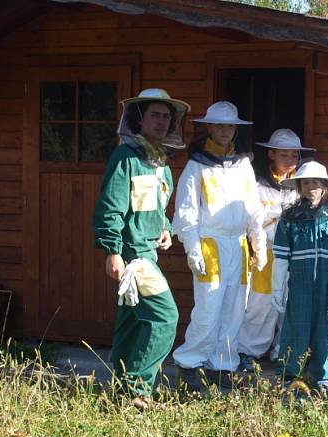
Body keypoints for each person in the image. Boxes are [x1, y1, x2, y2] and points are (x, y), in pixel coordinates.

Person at [93, 88, 189, 408]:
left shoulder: (159, 160)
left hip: (148, 252)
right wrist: (112, 250)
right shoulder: (127, 157)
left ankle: (120, 393)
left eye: (166, 116)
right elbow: (111, 206)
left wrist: (165, 228)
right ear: (139, 119)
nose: (161, 122)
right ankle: (138, 390)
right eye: (154, 115)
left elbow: (157, 205)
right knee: (164, 317)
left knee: (133, 323)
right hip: (133, 256)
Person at [171, 101, 267, 391]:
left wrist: (258, 244)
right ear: (209, 128)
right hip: (209, 243)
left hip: (238, 244)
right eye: (220, 125)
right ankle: (190, 363)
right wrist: (192, 247)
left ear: (235, 130)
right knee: (208, 307)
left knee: (235, 307)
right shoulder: (196, 165)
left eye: (230, 126)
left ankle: (223, 364)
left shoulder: (243, 165)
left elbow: (253, 208)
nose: (225, 131)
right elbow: (187, 210)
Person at [237, 129, 312, 371]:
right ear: (271, 154)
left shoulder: (302, 186)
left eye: (294, 156)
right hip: (266, 253)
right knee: (260, 304)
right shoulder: (257, 185)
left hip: (294, 254)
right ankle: (248, 352)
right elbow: (252, 220)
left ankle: (284, 352)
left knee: (290, 304)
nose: (290, 160)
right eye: (284, 155)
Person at [271, 161, 328, 394]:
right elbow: (281, 258)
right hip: (299, 285)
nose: (311, 186)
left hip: (325, 285)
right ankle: (289, 376)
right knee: (296, 328)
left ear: (324, 186)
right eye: (306, 182)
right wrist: (277, 288)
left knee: (324, 330)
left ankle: (321, 376)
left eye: (316, 182)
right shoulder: (288, 219)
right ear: (299, 186)